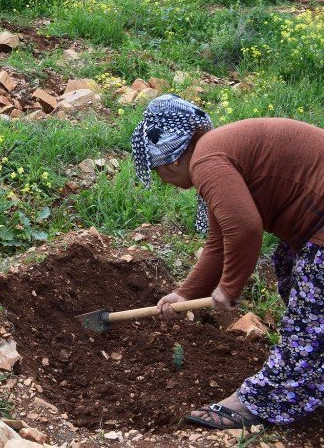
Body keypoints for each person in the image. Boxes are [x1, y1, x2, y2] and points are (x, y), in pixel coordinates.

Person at [131, 94, 324, 430]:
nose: (164, 182)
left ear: (171, 161)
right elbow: (220, 240)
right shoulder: (217, 150)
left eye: (157, 171)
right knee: (290, 266)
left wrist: (228, 288)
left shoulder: (206, 161)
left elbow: (245, 229)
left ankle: (260, 402)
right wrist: (186, 293)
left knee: (308, 320)